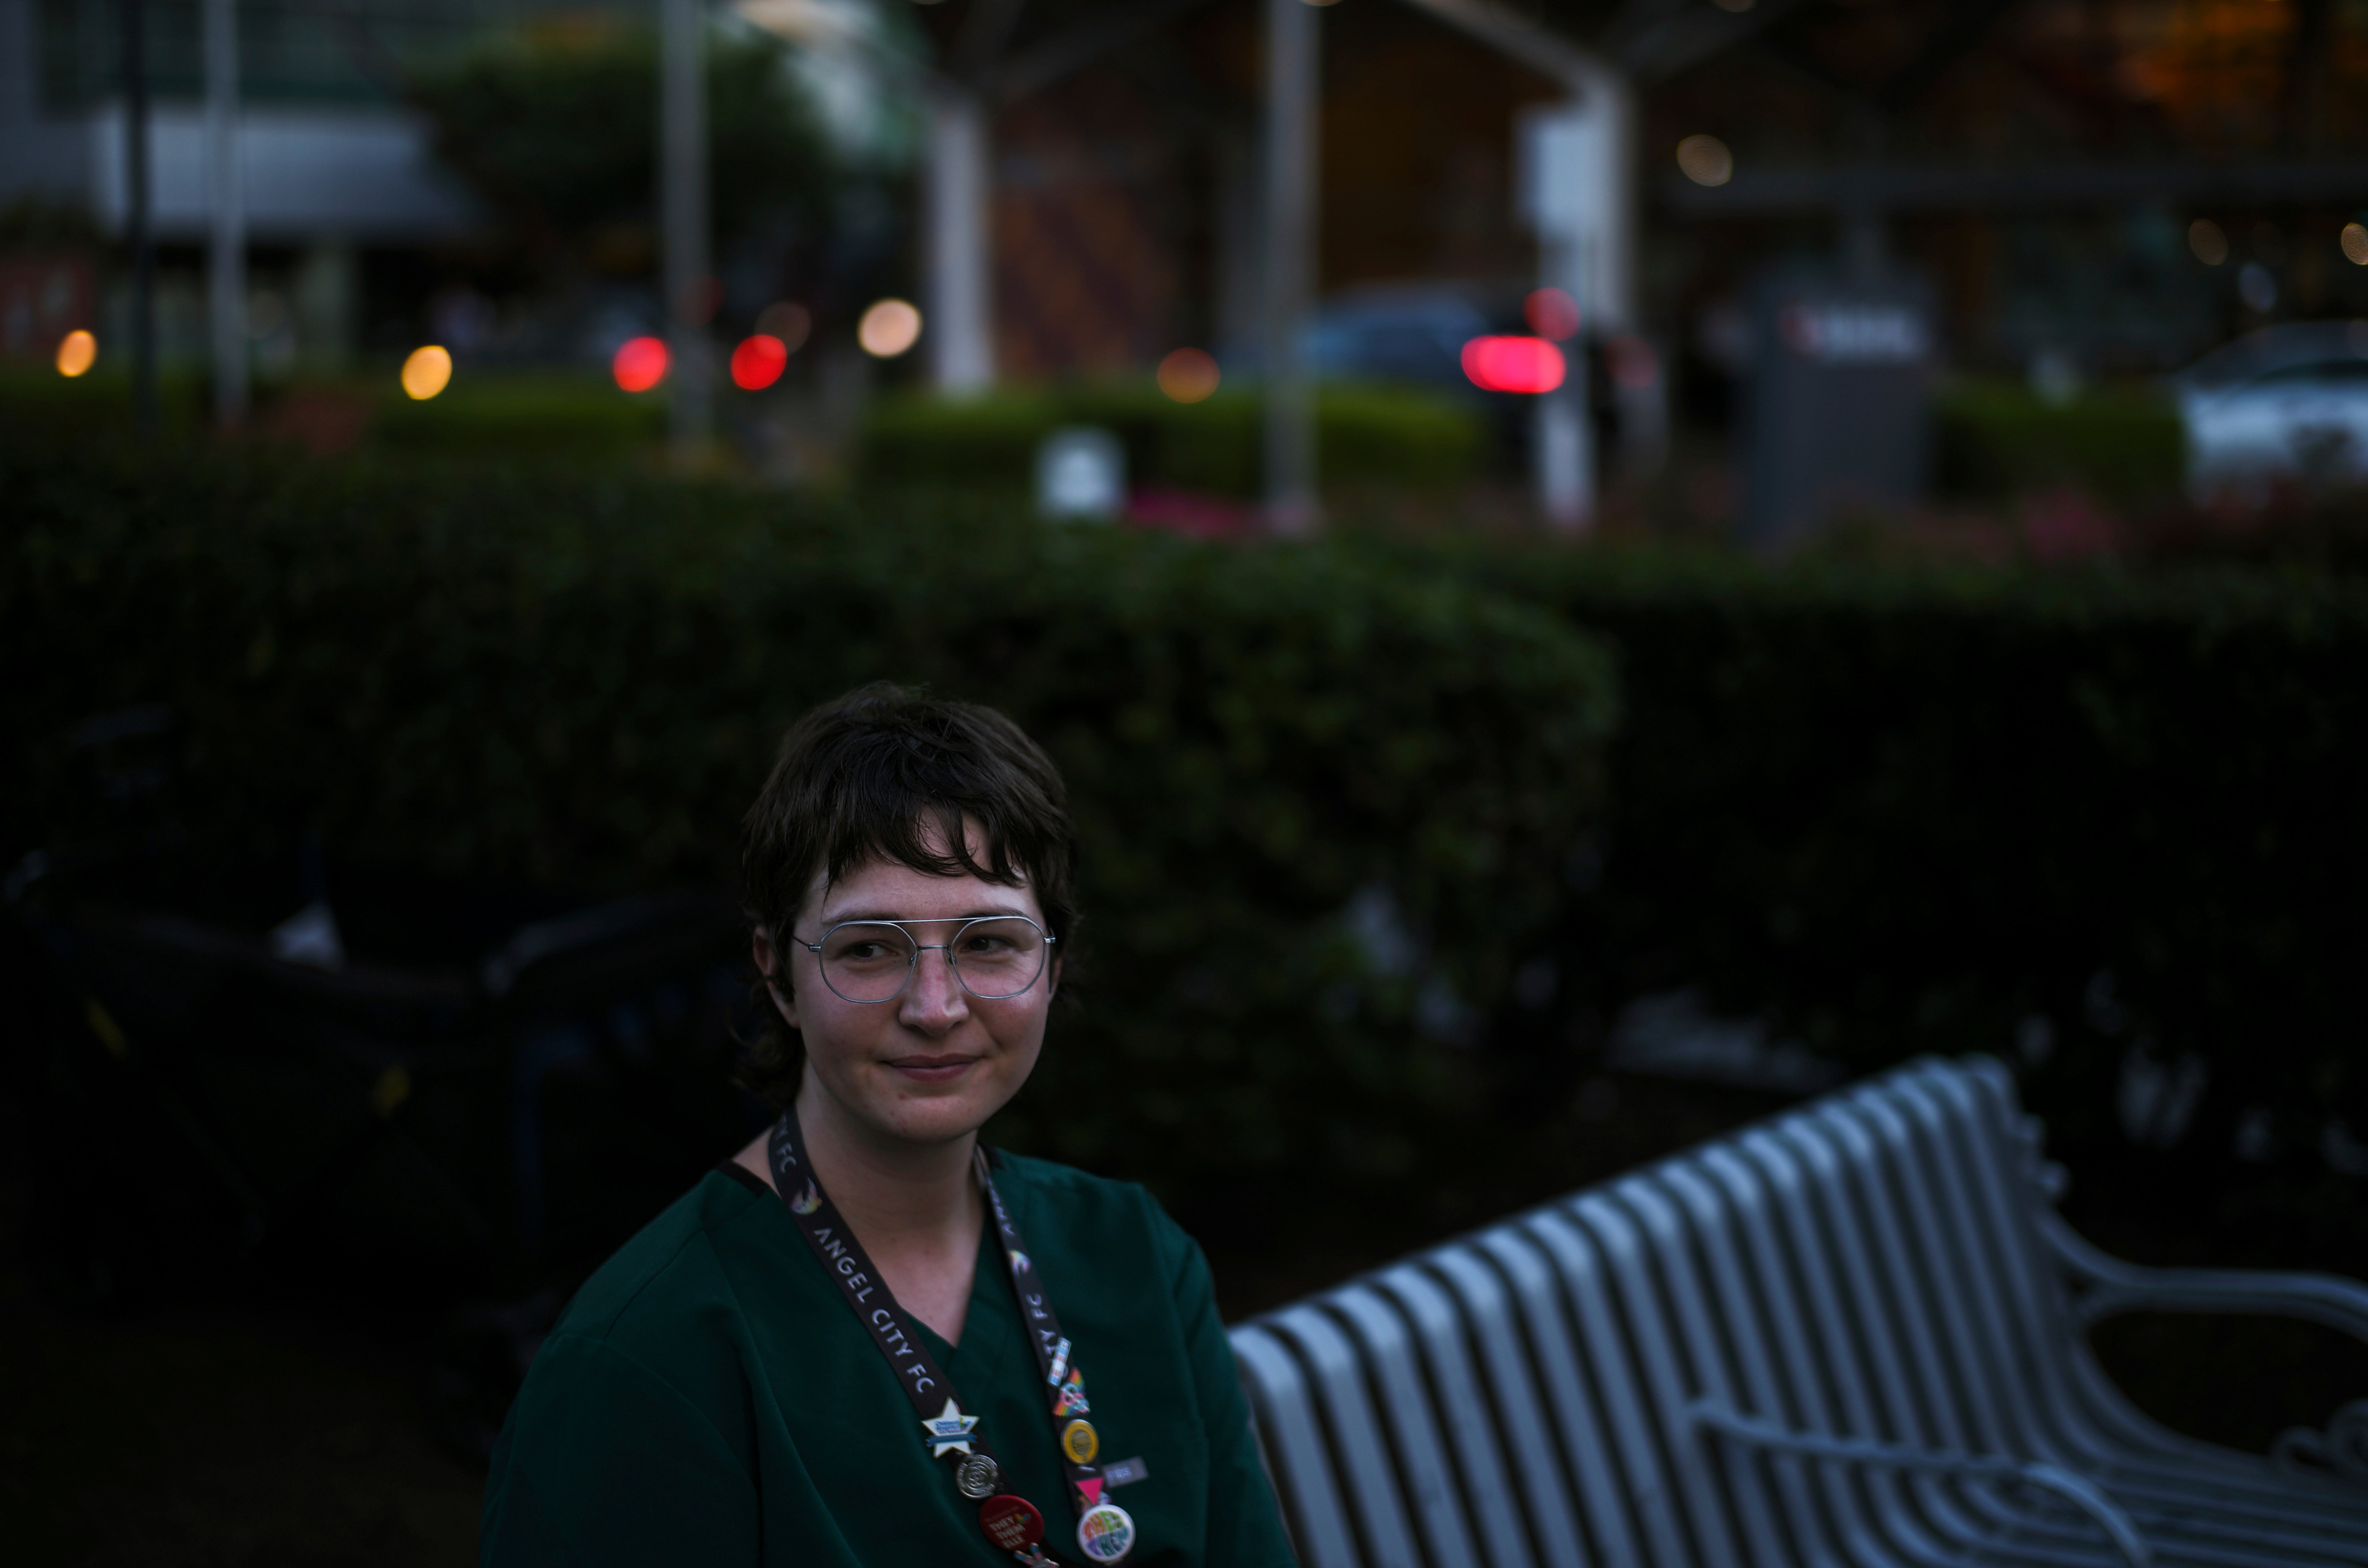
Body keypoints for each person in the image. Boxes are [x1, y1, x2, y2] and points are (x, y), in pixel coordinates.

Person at [480, 685, 1298, 1568]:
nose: (936, 1008)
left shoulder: (1136, 1256)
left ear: (1052, 967)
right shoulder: (648, 1355)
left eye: (989, 942)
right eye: (868, 948)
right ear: (779, 974)